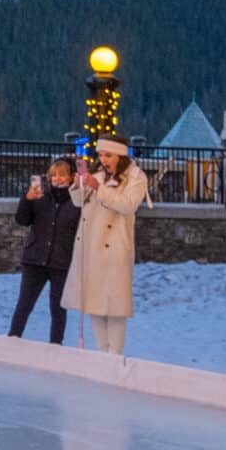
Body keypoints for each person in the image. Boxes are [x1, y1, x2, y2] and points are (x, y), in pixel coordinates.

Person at [64, 139, 149, 356]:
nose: (103, 160)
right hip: (92, 243)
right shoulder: (99, 175)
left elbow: (127, 205)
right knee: (94, 300)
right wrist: (78, 185)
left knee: (115, 303)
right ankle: (101, 352)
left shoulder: (136, 177)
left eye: (108, 155)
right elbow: (79, 202)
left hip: (115, 246)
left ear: (120, 156)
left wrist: (98, 188)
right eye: (101, 155)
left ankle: (115, 353)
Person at [9, 157, 82, 344]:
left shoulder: (78, 200)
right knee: (24, 304)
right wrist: (26, 200)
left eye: (62, 175)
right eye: (53, 175)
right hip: (34, 259)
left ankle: (56, 345)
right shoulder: (39, 195)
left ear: (72, 177)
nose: (57, 179)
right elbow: (22, 219)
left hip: (62, 262)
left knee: (58, 308)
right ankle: (12, 338)